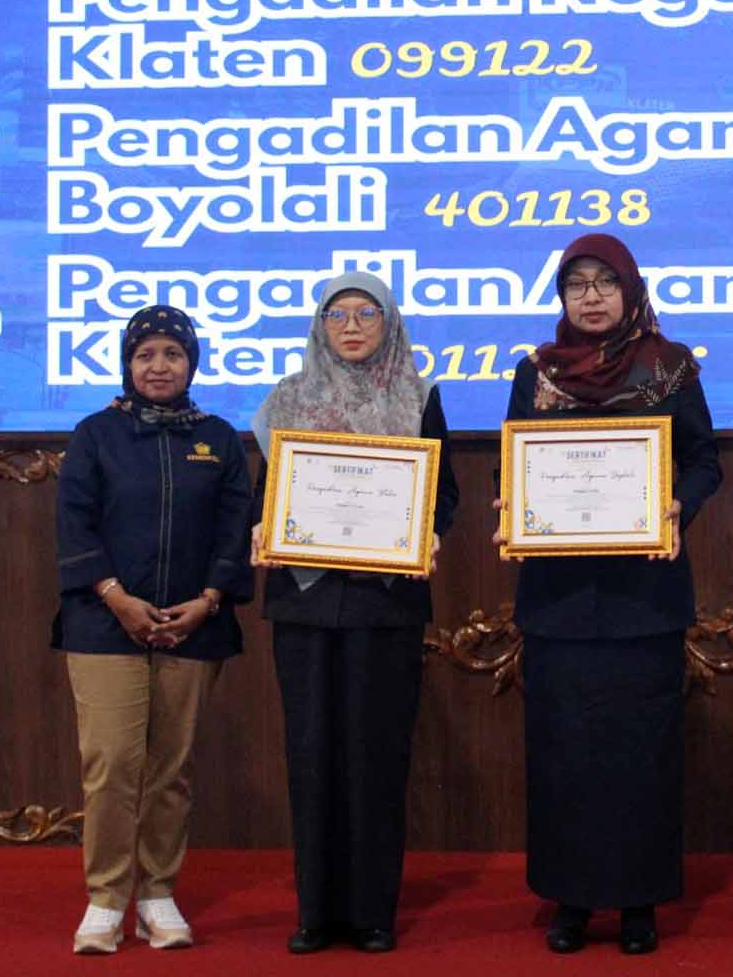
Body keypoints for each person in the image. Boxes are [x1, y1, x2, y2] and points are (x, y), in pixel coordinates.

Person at [491, 232, 721, 956]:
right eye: (576, 284)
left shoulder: (669, 367)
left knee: (640, 752)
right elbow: (513, 464)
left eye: (604, 283)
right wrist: (512, 505)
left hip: (642, 597)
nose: (590, 297)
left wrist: (678, 506)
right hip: (558, 599)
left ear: (630, 289)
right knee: (562, 751)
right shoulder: (536, 373)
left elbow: (704, 461)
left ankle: (638, 901)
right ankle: (571, 899)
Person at [248, 271, 460, 955]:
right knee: (311, 755)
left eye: (366, 313)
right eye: (337, 314)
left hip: (385, 601)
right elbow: (267, 493)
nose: (351, 326)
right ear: (319, 326)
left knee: (376, 755)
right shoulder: (288, 399)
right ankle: (315, 911)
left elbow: (444, 494)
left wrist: (429, 531)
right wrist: (262, 525)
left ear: (389, 323)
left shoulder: (419, 396)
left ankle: (373, 912)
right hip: (305, 601)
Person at [53, 305, 253, 954]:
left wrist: (209, 599)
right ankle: (106, 899)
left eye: (172, 354)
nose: (159, 367)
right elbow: (74, 525)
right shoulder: (95, 435)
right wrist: (117, 599)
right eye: (145, 355)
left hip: (195, 625)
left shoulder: (220, 440)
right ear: (127, 364)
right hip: (103, 623)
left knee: (171, 769)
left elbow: (234, 529)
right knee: (112, 764)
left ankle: (158, 895)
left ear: (192, 363)